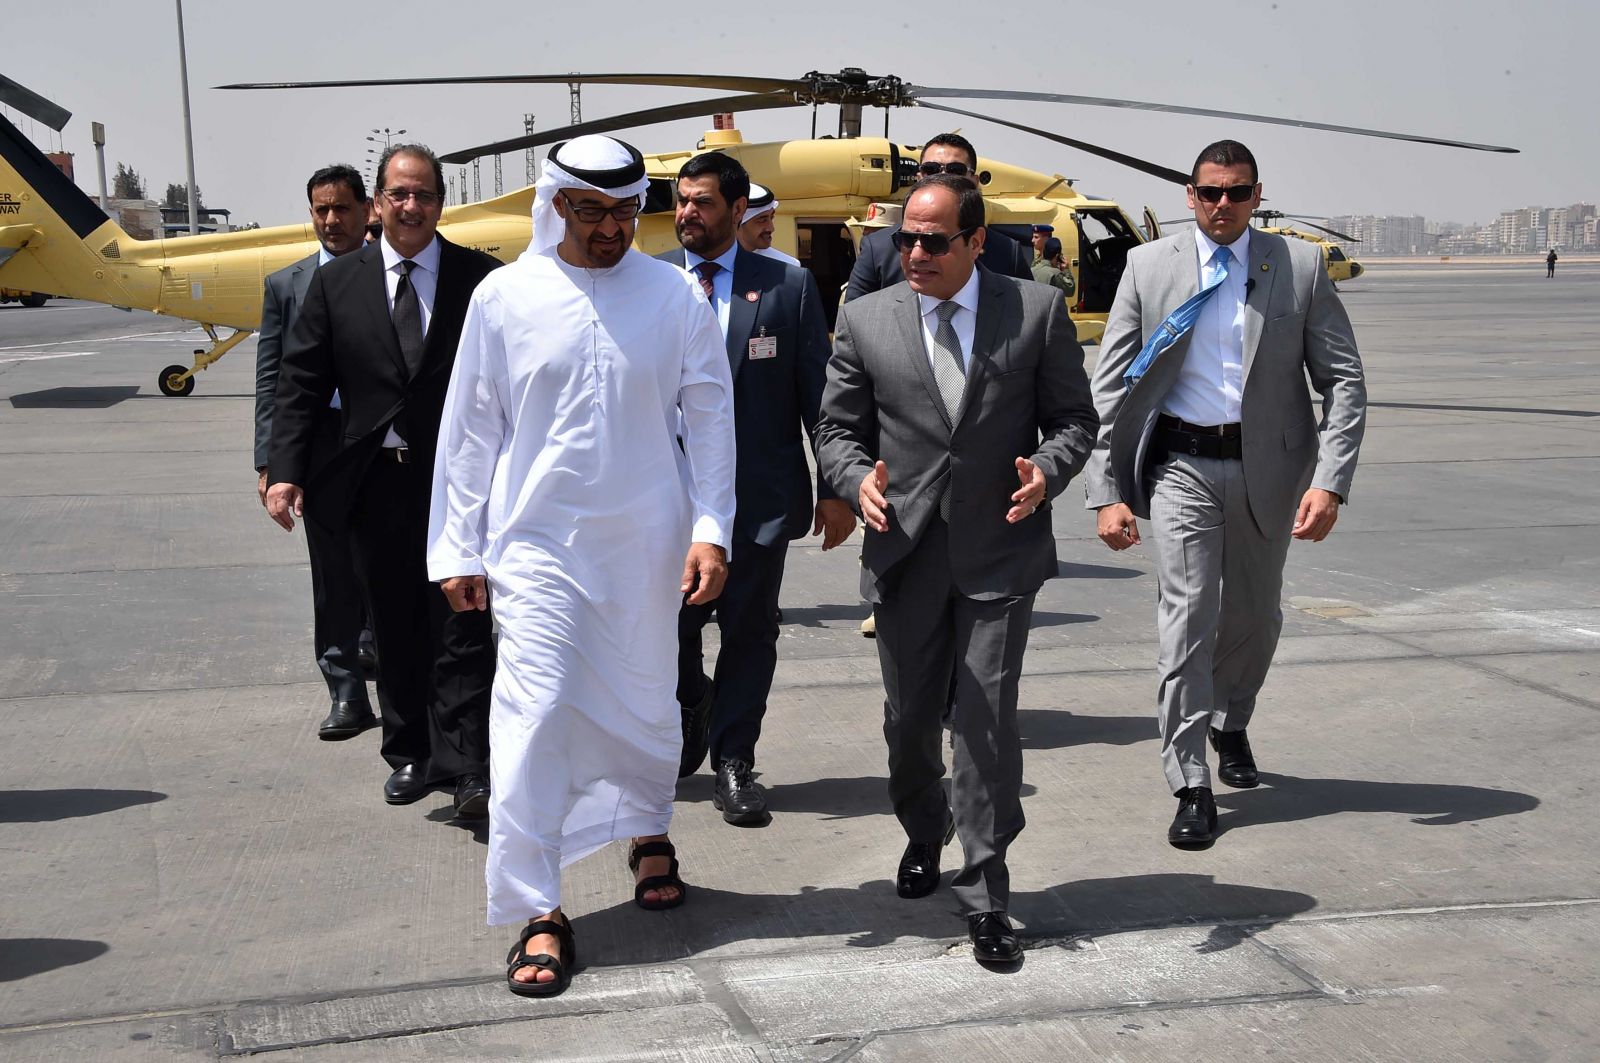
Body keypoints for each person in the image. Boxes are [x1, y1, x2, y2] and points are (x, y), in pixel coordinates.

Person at [426, 135, 736, 998]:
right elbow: (471, 429)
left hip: (647, 544)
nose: (611, 228)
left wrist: (712, 529)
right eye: (592, 210)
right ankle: (538, 904)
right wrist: (457, 545)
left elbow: (711, 418)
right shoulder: (504, 297)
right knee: (534, 714)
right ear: (555, 203)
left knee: (645, 702)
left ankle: (646, 827)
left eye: (626, 211)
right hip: (536, 545)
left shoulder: (674, 296)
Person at [815, 174, 1098, 967]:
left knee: (984, 722)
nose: (914, 253)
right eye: (905, 238)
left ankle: (985, 891)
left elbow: (1075, 419)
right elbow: (836, 430)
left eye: (933, 241)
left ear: (975, 242)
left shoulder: (1034, 312)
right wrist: (854, 480)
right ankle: (923, 825)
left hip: (999, 549)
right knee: (910, 721)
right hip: (904, 549)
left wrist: (1048, 470)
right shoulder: (866, 318)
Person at [1085, 139, 1366, 849]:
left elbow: (1343, 381)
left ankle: (1230, 719)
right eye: (1210, 191)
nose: (1222, 204)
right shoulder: (1149, 267)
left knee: (1255, 616)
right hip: (1180, 466)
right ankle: (1190, 781)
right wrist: (1106, 490)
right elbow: (1110, 386)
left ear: (1256, 196)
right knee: (1187, 617)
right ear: (1190, 195)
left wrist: (1330, 480)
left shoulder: (1298, 267)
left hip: (1268, 469)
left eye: (1237, 192)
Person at [266, 143, 500, 816]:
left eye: (424, 194)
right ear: (378, 203)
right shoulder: (337, 283)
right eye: (399, 193)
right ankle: (411, 753)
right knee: (394, 626)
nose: (411, 205)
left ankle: (469, 764)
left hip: (460, 487)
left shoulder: (481, 280)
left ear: (441, 204)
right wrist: (285, 471)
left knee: (462, 624)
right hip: (376, 483)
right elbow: (301, 383)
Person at [657, 152, 853, 825]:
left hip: (757, 500)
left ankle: (734, 761)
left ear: (738, 210)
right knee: (668, 631)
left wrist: (834, 487)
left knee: (748, 632)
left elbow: (820, 397)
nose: (688, 213)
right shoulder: (650, 282)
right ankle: (692, 703)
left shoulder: (785, 286)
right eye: (682, 200)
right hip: (666, 502)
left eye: (703, 202)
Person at [254, 164, 378, 739]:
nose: (331, 220)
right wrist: (272, 462)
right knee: (332, 573)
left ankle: (392, 664)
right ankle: (346, 690)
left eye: (342, 208)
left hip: (384, 440)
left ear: (366, 211)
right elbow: (272, 380)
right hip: (322, 442)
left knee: (389, 562)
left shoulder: (393, 276)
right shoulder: (287, 285)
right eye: (321, 210)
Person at [844, 133, 1034, 301]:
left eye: (955, 170)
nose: (942, 177)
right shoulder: (878, 250)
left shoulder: (1007, 252)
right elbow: (857, 319)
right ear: (919, 178)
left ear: (975, 182)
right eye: (931, 169)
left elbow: (1029, 315)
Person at [737, 181, 801, 267]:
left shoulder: (785, 267)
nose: (771, 228)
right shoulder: (717, 263)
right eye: (762, 220)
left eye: (771, 217)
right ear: (738, 223)